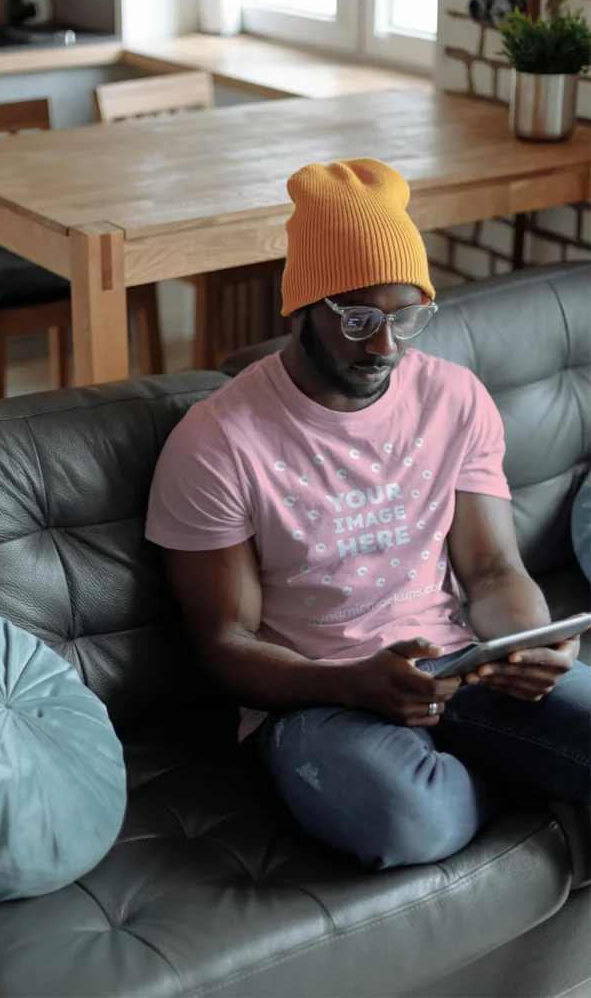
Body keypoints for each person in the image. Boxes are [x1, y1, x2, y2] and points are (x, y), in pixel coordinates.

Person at [145, 158, 591, 869]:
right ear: (299, 308)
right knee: (409, 822)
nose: (384, 346)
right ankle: (532, 777)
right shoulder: (216, 442)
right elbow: (224, 642)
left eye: (406, 317)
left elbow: (490, 567)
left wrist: (528, 644)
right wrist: (349, 682)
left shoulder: (453, 398)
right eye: (356, 319)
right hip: (316, 698)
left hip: (459, 667)